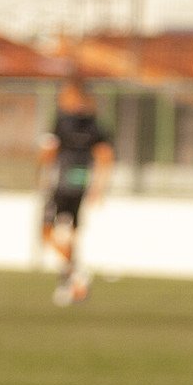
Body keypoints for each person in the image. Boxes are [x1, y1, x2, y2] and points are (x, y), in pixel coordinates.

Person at [38, 77, 114, 306]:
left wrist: (41, 171)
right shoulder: (96, 125)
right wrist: (98, 188)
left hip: (62, 183)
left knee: (47, 231)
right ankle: (70, 280)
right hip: (80, 184)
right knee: (71, 234)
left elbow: (49, 152)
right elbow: (105, 157)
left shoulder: (62, 121)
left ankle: (75, 273)